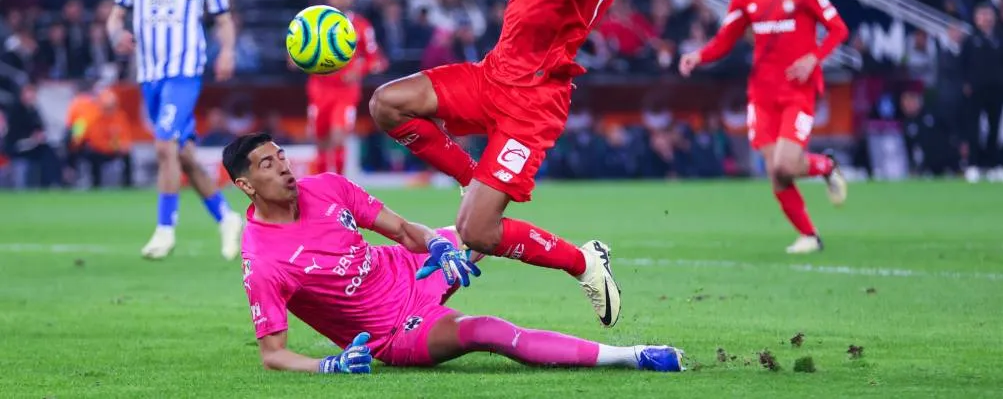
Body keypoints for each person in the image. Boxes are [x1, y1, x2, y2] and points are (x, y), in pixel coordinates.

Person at [368, 0, 623, 327]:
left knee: (479, 232)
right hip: (491, 75)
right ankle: (471, 178)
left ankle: (584, 262)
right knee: (387, 103)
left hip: (535, 101)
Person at [226, 133, 684, 374]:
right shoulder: (264, 261)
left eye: (282, 155)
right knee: (485, 331)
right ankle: (633, 356)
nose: (284, 166)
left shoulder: (324, 187)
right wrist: (329, 365)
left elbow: (406, 231)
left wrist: (439, 244)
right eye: (268, 164)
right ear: (246, 185)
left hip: (409, 268)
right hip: (395, 331)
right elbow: (274, 355)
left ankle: (584, 262)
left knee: (475, 228)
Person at [679, 0, 850, 254]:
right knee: (776, 172)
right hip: (762, 94)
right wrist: (699, 56)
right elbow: (726, 38)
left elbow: (839, 29)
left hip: (798, 91)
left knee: (787, 164)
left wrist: (814, 57)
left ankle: (825, 166)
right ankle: (809, 236)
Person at [106, 0, 243, 260]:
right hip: (148, 76)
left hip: (184, 74)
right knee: (183, 155)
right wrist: (116, 33)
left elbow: (223, 19)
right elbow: (116, 16)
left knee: (164, 145)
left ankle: (165, 230)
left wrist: (227, 51)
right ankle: (226, 217)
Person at [305, 0, 386, 175]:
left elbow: (377, 60)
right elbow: (299, 47)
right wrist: (296, 58)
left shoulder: (361, 26)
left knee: (338, 136)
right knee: (321, 141)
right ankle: (321, 186)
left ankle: (339, 184)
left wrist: (360, 69)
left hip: (345, 92)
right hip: (319, 89)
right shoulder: (315, 23)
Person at [960, 3, 1003, 183]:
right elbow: (962, 65)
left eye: (988, 15)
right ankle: (973, 165)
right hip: (976, 90)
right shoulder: (970, 40)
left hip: (997, 89)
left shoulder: (1000, 38)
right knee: (974, 129)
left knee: (995, 129)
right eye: (982, 15)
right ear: (976, 18)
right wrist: (966, 83)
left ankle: (995, 165)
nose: (986, 19)